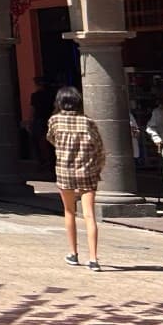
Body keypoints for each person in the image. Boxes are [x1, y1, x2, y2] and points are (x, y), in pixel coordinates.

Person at [47, 87, 105, 271]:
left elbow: (51, 139)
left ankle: (73, 253)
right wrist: (97, 167)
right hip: (87, 172)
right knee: (89, 214)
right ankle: (94, 258)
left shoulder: (55, 121)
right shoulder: (88, 122)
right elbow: (99, 147)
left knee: (69, 212)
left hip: (65, 172)